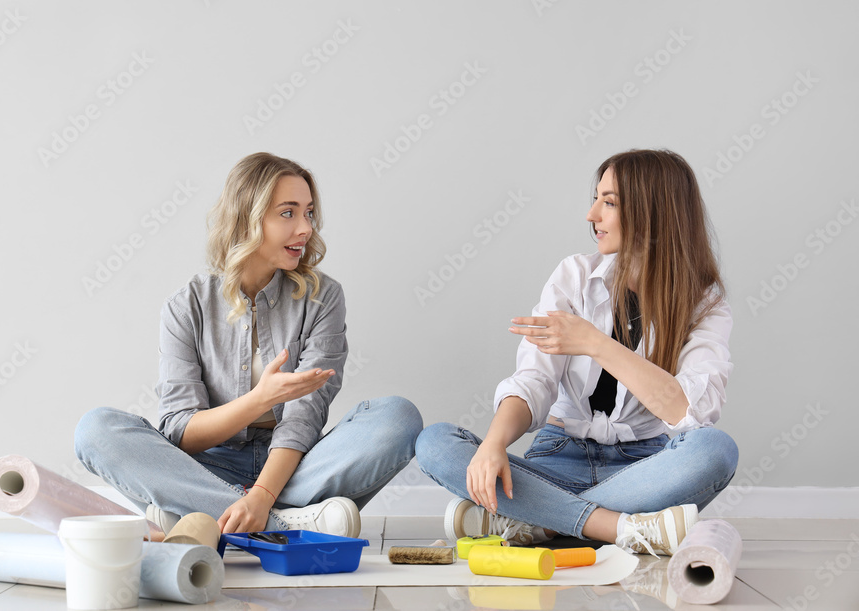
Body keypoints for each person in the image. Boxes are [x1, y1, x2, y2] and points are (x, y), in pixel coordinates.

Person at [76, 152, 422, 538]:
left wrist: (261, 494)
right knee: (96, 430)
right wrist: (259, 400)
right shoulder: (186, 306)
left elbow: (303, 415)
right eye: (288, 213)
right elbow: (179, 430)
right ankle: (286, 523)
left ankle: (203, 519)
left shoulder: (323, 297)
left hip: (295, 466)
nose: (305, 228)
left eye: (308, 213)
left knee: (398, 417)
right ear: (247, 218)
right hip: (206, 469)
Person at [416, 149, 738, 556]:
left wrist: (594, 343)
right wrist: (495, 443)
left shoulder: (704, 303)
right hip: (556, 456)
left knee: (716, 450)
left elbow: (692, 410)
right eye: (596, 199)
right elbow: (534, 380)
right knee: (435, 443)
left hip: (640, 468)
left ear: (653, 214)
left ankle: (539, 521)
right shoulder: (573, 276)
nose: (591, 215)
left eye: (609, 203)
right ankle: (621, 527)